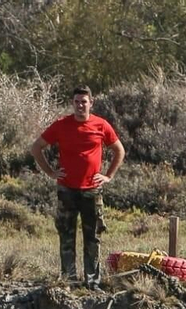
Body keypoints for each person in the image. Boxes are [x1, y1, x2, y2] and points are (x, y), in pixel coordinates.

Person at [30, 86, 125, 289]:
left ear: (91, 102)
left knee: (92, 236)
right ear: (72, 103)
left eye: (84, 101)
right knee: (66, 234)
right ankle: (69, 280)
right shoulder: (61, 125)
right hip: (67, 190)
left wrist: (108, 176)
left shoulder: (101, 125)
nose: (80, 105)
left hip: (91, 190)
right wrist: (51, 172)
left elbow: (119, 150)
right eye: (77, 102)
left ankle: (92, 281)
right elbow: (36, 147)